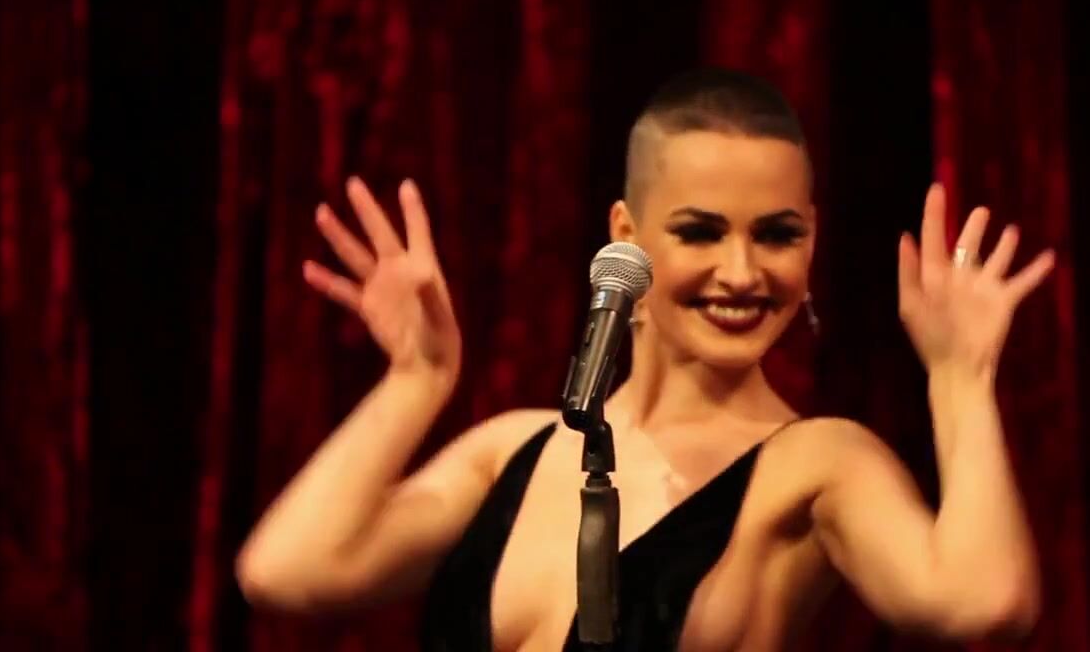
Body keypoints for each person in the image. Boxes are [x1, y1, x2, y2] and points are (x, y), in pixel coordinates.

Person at [235, 68, 1051, 650]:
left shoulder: (818, 464)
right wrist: (415, 382)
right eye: (701, 232)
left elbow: (980, 604)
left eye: (777, 235)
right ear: (626, 235)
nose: (742, 272)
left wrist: (962, 378)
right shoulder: (513, 449)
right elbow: (287, 571)